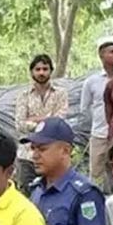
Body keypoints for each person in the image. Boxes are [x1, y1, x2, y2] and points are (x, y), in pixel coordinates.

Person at [15, 54, 68, 191]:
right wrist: (47, 120)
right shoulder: (23, 95)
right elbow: (20, 124)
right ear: (32, 72)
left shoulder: (60, 94)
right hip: (27, 155)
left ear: (51, 71)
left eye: (45, 69)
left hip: (52, 155)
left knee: (52, 193)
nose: (41, 73)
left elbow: (59, 123)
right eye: (37, 69)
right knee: (27, 195)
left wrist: (35, 120)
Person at [81, 40, 113, 191]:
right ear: (101, 56)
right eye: (112, 51)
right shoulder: (92, 82)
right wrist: (97, 124)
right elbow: (85, 108)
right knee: (96, 173)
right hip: (99, 135)